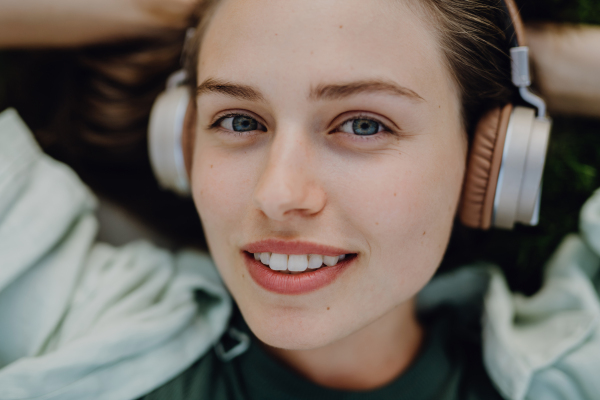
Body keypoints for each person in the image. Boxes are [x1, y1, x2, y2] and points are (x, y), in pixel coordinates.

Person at [0, 1, 599, 400]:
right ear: (181, 145)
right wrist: (175, 9)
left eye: (364, 125)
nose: (278, 194)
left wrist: (540, 63)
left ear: (490, 163)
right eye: (237, 120)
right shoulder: (85, 323)